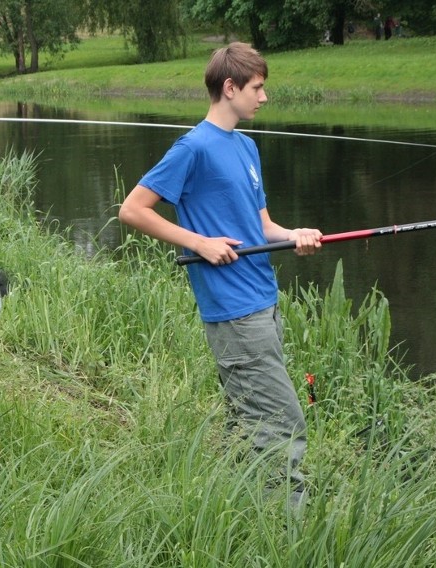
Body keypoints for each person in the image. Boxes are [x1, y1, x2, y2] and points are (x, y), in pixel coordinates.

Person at [118, 42, 322, 507]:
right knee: (282, 423)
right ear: (229, 88)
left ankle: (237, 510)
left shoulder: (247, 146)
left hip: (263, 300)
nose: (263, 98)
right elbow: (132, 210)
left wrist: (296, 235)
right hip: (233, 311)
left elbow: (262, 225)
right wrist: (198, 242)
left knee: (248, 420)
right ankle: (290, 531)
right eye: (257, 88)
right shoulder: (192, 148)